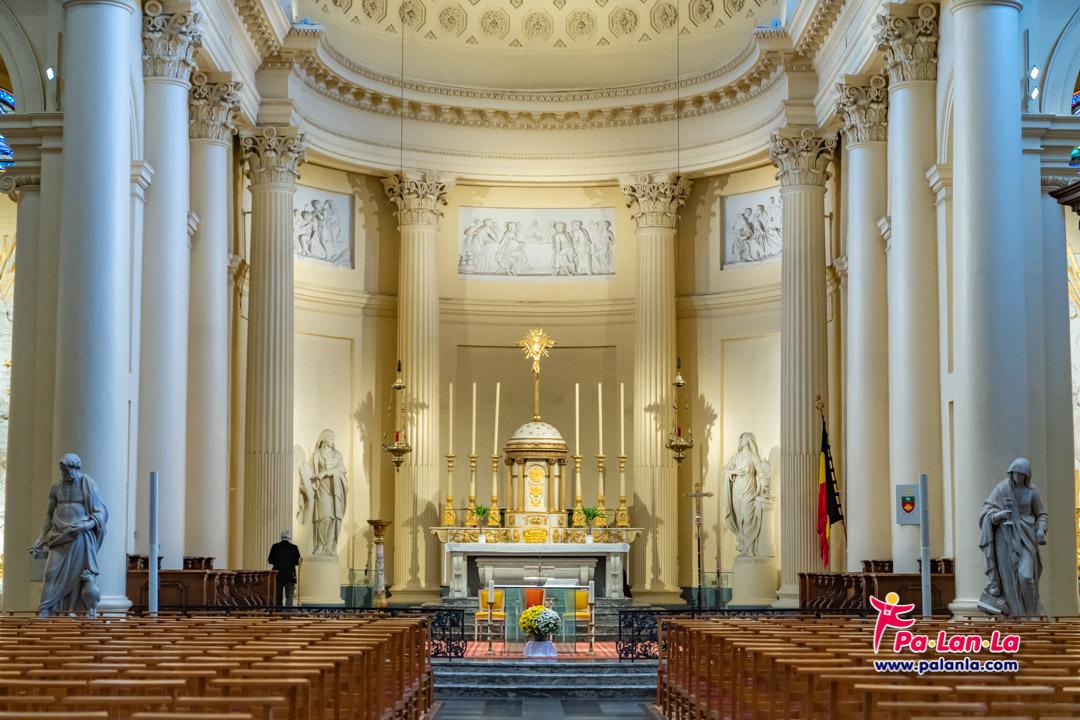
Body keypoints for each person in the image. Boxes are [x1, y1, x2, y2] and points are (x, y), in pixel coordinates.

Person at [29, 453, 108, 617]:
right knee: (50, 574)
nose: (64, 473)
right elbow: (48, 515)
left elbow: (101, 513)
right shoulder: (56, 487)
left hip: (79, 535)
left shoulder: (88, 485)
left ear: (75, 468)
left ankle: (71, 610)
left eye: (66, 470)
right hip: (59, 536)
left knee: (77, 576)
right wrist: (40, 538)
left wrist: (86, 525)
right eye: (62, 470)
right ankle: (45, 609)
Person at [978, 457, 1048, 616]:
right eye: (1014, 473)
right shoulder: (1001, 489)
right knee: (1008, 579)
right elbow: (986, 512)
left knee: (1026, 577)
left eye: (1021, 474)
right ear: (1011, 472)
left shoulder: (1032, 492)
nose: (1017, 476)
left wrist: (1041, 530)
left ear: (1026, 475)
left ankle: (1031, 614)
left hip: (1026, 537)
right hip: (1005, 538)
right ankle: (1014, 616)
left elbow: (1041, 514)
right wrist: (999, 515)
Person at [720, 432, 771, 557]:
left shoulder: (753, 456)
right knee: (739, 520)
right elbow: (726, 470)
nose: (741, 439)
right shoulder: (735, 457)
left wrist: (764, 486)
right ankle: (743, 546)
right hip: (736, 491)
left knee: (748, 519)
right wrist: (734, 471)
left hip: (749, 490)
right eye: (741, 437)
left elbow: (761, 472)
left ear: (749, 440)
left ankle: (750, 549)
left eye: (744, 437)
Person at [267, 530, 301, 607]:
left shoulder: (275, 546)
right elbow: (297, 562)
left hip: (277, 575)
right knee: (289, 596)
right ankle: (287, 612)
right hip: (290, 575)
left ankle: (278, 611)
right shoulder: (294, 547)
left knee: (278, 596)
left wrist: (277, 562)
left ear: (281, 537)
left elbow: (270, 560)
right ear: (289, 538)